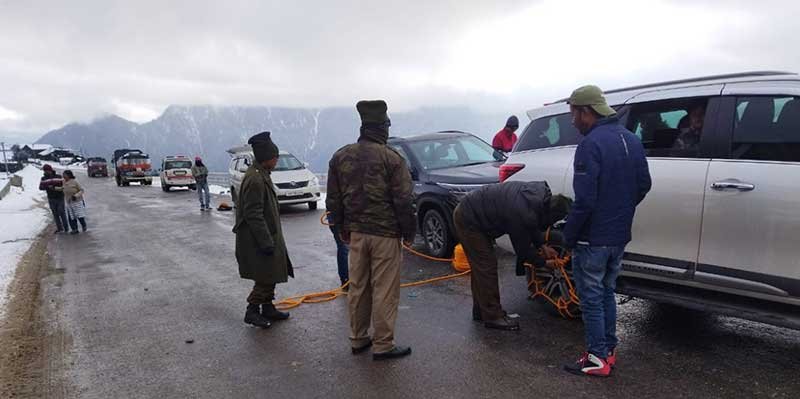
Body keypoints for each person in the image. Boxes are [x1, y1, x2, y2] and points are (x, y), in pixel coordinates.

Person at [562, 85, 652, 377]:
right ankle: (608, 351)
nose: (572, 120)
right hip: (618, 235)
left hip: (593, 238)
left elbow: (585, 200)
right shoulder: (630, 139)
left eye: (573, 113)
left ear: (586, 111)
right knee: (607, 293)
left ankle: (596, 358)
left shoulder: (590, 145)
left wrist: (570, 235)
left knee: (591, 297)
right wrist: (621, 209)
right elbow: (643, 184)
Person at [326, 100, 416, 361]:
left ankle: (358, 338)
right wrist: (408, 232)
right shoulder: (392, 158)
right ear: (382, 127)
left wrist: (340, 227)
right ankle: (383, 345)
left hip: (355, 234)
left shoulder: (340, 156)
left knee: (358, 286)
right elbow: (403, 200)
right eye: (387, 125)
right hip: (385, 235)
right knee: (385, 289)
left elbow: (333, 198)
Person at [454, 181, 571, 330]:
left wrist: (542, 245)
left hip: (473, 210)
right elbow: (523, 251)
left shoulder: (538, 197)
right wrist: (544, 263)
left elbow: (532, 223)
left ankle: (481, 311)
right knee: (486, 267)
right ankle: (493, 317)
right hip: (469, 220)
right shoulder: (520, 213)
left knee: (482, 269)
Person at [233, 132, 293, 328]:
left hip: (267, 235)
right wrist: (266, 241)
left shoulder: (261, 174)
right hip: (258, 238)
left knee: (272, 271)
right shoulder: (256, 180)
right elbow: (253, 214)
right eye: (275, 158)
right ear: (267, 158)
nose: (276, 161)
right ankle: (252, 310)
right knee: (266, 275)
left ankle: (267, 307)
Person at [39, 164, 69, 234]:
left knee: (61, 212)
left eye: (47, 170)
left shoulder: (58, 177)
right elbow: (40, 187)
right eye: (45, 171)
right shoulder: (43, 178)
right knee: (55, 214)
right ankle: (59, 228)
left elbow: (64, 185)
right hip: (51, 198)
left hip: (60, 197)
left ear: (50, 170)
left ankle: (66, 227)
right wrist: (47, 187)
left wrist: (56, 187)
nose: (46, 172)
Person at [327, 212, 349, 288]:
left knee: (344, 247)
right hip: (340, 219)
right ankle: (346, 280)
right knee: (344, 247)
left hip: (340, 218)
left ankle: (346, 280)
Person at [61, 170, 87, 234]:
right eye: (63, 175)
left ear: (69, 175)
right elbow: (62, 188)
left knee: (79, 216)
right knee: (71, 216)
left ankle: (84, 225)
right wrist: (55, 188)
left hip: (77, 201)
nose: (63, 176)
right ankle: (74, 229)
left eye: (65, 175)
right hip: (69, 202)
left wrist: (75, 196)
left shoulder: (75, 182)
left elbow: (81, 190)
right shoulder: (63, 182)